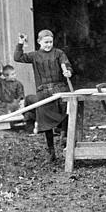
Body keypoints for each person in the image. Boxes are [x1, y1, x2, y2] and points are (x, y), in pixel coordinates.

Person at [14, 29, 72, 162]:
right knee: (46, 123)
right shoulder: (34, 55)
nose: (48, 45)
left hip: (60, 89)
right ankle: (51, 152)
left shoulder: (59, 53)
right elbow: (18, 57)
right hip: (43, 93)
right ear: (39, 42)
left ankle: (64, 136)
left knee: (67, 111)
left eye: (50, 42)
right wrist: (20, 43)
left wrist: (68, 71)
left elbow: (67, 64)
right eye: (46, 42)